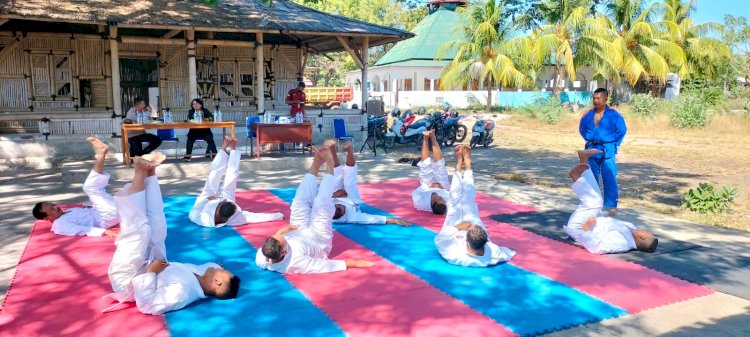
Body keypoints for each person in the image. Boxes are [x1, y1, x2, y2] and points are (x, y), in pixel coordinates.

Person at [104, 152, 240, 315]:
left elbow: (147, 304)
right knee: (158, 225)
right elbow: (216, 265)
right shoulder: (203, 274)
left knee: (139, 230)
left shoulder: (183, 293)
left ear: (217, 282)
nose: (219, 267)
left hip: (130, 278)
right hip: (154, 261)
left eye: (223, 271)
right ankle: (150, 172)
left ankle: (139, 172)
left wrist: (151, 272)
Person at [256, 146, 374, 274]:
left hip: (298, 229)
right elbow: (322, 265)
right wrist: (354, 263)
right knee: (321, 202)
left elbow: (278, 235)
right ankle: (330, 163)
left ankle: (317, 162)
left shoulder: (262, 257)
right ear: (284, 252)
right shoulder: (295, 263)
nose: (281, 236)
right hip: (318, 239)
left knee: (299, 200)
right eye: (284, 241)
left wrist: (286, 230)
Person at [434, 145, 516, 267]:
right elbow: (508, 252)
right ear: (486, 243)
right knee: (469, 196)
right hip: (473, 221)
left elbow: (439, 239)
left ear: (466, 242)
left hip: (454, 222)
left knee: (455, 197)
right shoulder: (493, 253)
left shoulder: (454, 254)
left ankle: (459, 163)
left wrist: (459, 227)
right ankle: (467, 163)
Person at [564, 149, 658, 255]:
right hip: (594, 220)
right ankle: (584, 160)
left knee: (595, 202)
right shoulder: (631, 229)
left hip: (579, 228)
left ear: (643, 236)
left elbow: (597, 248)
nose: (645, 230)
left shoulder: (622, 244)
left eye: (647, 233)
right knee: (596, 195)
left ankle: (576, 176)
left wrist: (585, 229)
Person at [32, 137, 120, 237]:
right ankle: (102, 152)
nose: (56, 207)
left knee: (125, 192)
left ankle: (140, 169)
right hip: (106, 216)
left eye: (52, 205)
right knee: (90, 188)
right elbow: (80, 230)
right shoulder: (59, 225)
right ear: (46, 218)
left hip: (106, 212)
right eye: (51, 209)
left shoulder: (66, 213)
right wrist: (104, 232)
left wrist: (89, 204)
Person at [189, 137, 283, 227]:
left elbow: (196, 207)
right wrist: (278, 216)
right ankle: (233, 147)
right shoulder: (236, 217)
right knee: (231, 178)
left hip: (207, 200)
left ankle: (224, 147)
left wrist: (208, 199)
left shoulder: (198, 217)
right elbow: (255, 217)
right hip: (223, 201)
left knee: (213, 177)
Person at [327, 139, 411, 226]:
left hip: (333, 196)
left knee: (335, 176)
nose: (339, 205)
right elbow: (371, 219)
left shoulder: (325, 210)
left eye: (336, 206)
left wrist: (333, 195)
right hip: (352, 200)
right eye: (340, 208)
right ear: (341, 212)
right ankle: (349, 150)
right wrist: (394, 220)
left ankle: (332, 149)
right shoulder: (352, 217)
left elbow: (317, 199)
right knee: (349, 183)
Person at [579, 88, 627, 216]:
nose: (595, 100)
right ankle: (591, 204)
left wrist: (613, 143)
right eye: (594, 98)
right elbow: (582, 129)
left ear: (605, 99)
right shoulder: (587, 115)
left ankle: (611, 205)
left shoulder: (614, 115)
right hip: (591, 149)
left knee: (609, 177)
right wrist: (590, 140)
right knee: (590, 177)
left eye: (598, 98)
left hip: (607, 149)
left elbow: (622, 131)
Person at [412, 130, 449, 215]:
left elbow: (415, 192)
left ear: (433, 203)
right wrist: (441, 187)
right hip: (442, 186)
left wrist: (428, 186)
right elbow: (453, 196)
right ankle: (433, 137)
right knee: (440, 165)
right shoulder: (447, 203)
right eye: (443, 200)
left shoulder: (420, 203)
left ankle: (425, 137)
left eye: (440, 199)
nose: (442, 199)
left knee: (425, 165)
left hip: (427, 186)